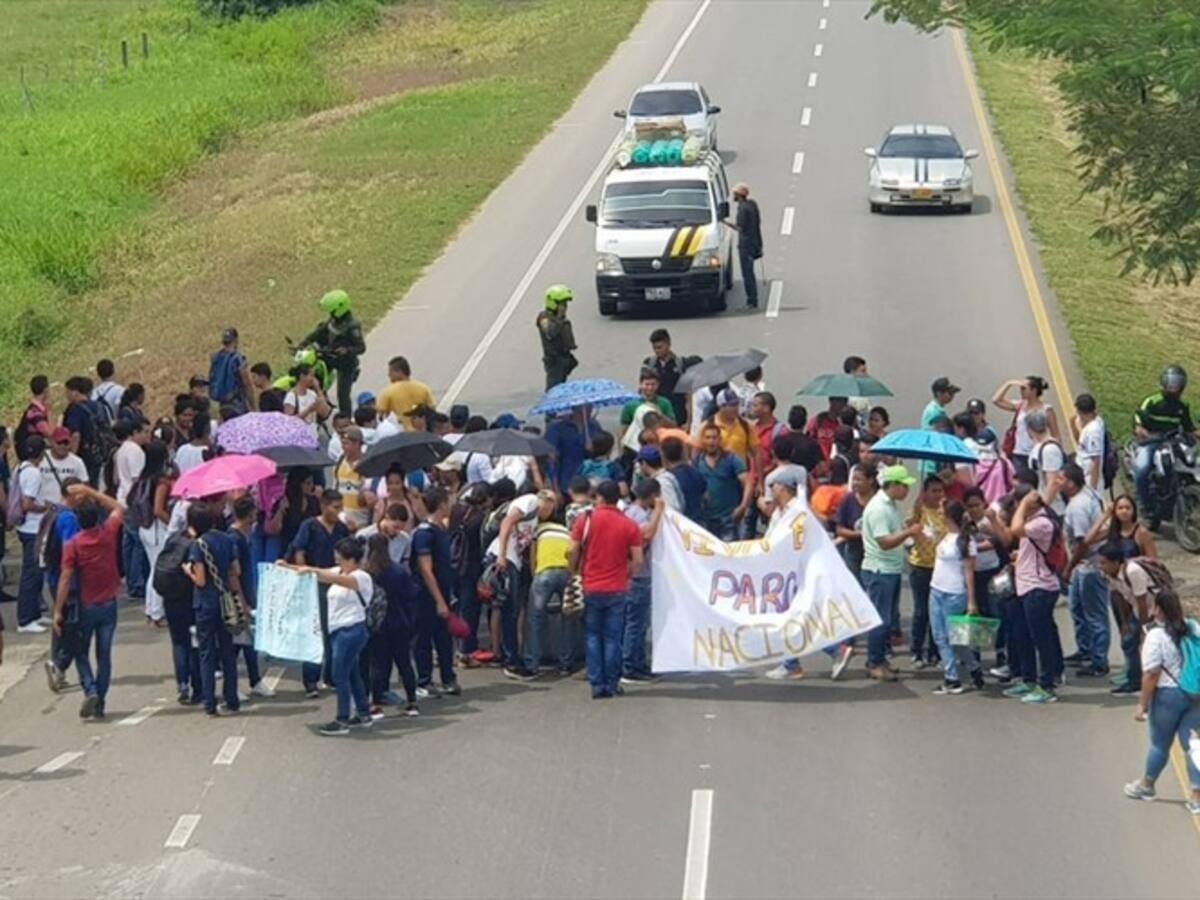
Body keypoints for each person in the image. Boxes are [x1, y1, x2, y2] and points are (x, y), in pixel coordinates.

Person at [1121, 589, 1200, 812]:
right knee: (1193, 745)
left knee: (1160, 744)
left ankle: (1147, 785)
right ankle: (1197, 796)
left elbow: (1151, 674)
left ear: (1157, 609)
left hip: (1168, 695)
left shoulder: (1156, 636)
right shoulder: (1193, 627)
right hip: (1195, 693)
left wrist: (1142, 704)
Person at [287, 538, 375, 734]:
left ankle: (342, 719)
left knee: (339, 675)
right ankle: (363, 712)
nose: (338, 564)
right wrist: (288, 568)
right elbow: (318, 572)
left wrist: (313, 572)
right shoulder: (340, 571)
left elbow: (330, 578)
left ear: (353, 560)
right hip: (339, 631)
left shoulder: (361, 577)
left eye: (341, 560)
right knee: (351, 673)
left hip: (351, 630)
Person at [53, 484, 126, 719]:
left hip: (85, 604)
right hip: (109, 603)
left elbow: (65, 578)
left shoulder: (73, 544)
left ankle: (89, 688)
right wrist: (91, 491)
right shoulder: (107, 533)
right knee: (104, 656)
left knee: (80, 651)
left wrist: (57, 610)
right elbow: (118, 507)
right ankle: (100, 702)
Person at [569, 480, 644, 699]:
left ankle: (597, 683)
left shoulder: (586, 520)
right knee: (613, 638)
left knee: (593, 635)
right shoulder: (629, 524)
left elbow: (573, 548)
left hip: (591, 584)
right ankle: (612, 683)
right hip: (617, 587)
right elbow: (638, 559)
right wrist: (627, 574)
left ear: (599, 497)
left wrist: (573, 569)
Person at [862, 465, 923, 682]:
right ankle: (875, 662)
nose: (907, 490)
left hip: (890, 568)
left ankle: (879, 659)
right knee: (881, 619)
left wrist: (905, 532)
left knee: (886, 619)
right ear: (894, 485)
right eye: (904, 485)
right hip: (880, 569)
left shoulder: (889, 506)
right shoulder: (879, 508)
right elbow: (884, 542)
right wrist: (908, 532)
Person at [289, 489, 350, 696]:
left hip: (336, 583)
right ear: (324, 506)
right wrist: (303, 574)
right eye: (335, 507)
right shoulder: (310, 526)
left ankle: (331, 676)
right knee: (316, 631)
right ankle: (311, 680)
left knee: (334, 629)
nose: (338, 511)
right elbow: (300, 551)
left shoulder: (341, 528)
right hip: (315, 582)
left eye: (340, 507)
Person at [184, 505, 244, 717]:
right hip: (225, 600)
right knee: (228, 650)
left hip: (206, 603)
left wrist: (188, 571)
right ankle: (232, 699)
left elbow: (200, 580)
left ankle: (210, 702)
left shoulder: (198, 545)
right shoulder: (226, 539)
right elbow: (236, 570)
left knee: (207, 653)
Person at [1007, 488, 1064, 704]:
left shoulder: (1042, 523)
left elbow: (1015, 529)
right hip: (1026, 585)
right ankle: (1029, 679)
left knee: (1042, 639)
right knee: (1025, 635)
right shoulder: (1034, 521)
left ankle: (1047, 685)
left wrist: (1023, 504)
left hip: (1039, 588)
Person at [928, 500, 985, 694]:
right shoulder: (946, 536)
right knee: (944, 636)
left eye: (942, 512)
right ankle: (964, 672)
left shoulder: (966, 540)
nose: (940, 515)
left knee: (951, 637)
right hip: (936, 589)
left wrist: (971, 600)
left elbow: (969, 572)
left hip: (954, 593)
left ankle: (957, 675)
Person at [363, 533, 420, 717]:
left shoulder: (367, 574)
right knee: (404, 664)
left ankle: (376, 703)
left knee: (378, 665)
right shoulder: (398, 571)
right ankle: (412, 703)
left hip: (377, 626)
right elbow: (411, 594)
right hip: (399, 622)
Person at [1060, 464, 1109, 677]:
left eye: (1061, 479)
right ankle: (1085, 649)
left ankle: (1099, 660)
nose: (1057, 483)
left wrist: (1069, 568)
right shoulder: (1086, 495)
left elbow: (1083, 543)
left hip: (1090, 565)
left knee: (1094, 614)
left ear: (1071, 482)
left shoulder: (1077, 507)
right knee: (1077, 608)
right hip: (1084, 565)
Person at [1098, 544, 1166, 698]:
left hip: (1157, 612)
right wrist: (1124, 622)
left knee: (1156, 647)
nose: (1100, 566)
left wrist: (1144, 628)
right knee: (1128, 643)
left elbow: (1142, 601)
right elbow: (1118, 597)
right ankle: (1135, 681)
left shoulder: (1133, 571)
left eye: (1103, 563)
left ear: (1116, 562)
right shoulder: (1109, 574)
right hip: (1139, 611)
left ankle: (1155, 682)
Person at [1131, 365, 1199, 519]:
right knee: (1141, 471)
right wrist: (1140, 429)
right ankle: (1145, 504)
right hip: (1152, 441)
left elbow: (1189, 428)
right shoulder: (1152, 401)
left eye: (1177, 382)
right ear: (1164, 382)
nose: (1174, 386)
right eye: (1171, 382)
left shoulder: (1183, 406)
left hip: (1173, 442)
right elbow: (1138, 417)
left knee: (1189, 466)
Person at [411, 487, 460, 696]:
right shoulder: (424, 533)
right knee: (424, 636)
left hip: (444, 589)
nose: (451, 504)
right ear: (441, 504)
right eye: (448, 501)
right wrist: (439, 599)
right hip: (425, 594)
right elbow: (425, 569)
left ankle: (448, 677)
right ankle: (424, 680)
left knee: (444, 636)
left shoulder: (441, 529)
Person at [228, 495, 273, 698]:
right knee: (238, 642)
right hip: (239, 596)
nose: (256, 517)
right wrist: (242, 602)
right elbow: (234, 573)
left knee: (247, 641)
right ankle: (233, 684)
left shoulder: (243, 536)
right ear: (248, 516)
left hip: (246, 592)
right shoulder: (235, 538)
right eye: (254, 513)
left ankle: (255, 680)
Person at [526, 490, 574, 676]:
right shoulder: (565, 531)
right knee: (567, 618)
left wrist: (533, 575)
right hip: (566, 571)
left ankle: (532, 664)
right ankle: (565, 663)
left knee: (536, 618)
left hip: (544, 572)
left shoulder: (539, 530)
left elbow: (533, 554)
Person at [622, 479, 665, 684]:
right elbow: (646, 533)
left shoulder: (638, 512)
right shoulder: (635, 514)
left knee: (639, 623)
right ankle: (630, 666)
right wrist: (658, 510)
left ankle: (638, 662)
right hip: (637, 576)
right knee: (635, 624)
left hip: (640, 575)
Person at [301, 289, 366, 417]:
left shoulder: (352, 326)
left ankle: (346, 419)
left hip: (346, 363)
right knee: (314, 378)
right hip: (329, 357)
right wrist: (303, 344)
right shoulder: (333, 320)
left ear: (340, 308)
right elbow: (318, 333)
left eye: (332, 311)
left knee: (342, 394)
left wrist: (346, 350)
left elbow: (361, 348)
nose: (330, 314)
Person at [131, 440, 175, 626]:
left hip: (145, 526)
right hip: (157, 528)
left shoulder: (143, 478)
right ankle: (156, 613)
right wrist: (172, 523)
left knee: (153, 569)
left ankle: (151, 611)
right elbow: (158, 509)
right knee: (159, 571)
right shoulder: (161, 481)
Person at [906, 475, 947, 669]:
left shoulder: (944, 512)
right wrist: (915, 508)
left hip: (940, 568)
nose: (938, 495)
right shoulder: (919, 510)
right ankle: (916, 651)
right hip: (920, 566)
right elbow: (908, 525)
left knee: (937, 612)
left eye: (940, 490)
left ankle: (935, 651)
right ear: (926, 492)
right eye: (934, 491)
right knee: (921, 611)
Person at [14, 436, 52, 632]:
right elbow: (27, 504)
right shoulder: (34, 474)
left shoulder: (20, 468)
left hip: (25, 528)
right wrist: (44, 508)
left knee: (36, 572)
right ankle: (25, 619)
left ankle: (35, 613)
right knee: (32, 573)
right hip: (32, 528)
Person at [992, 375, 1060, 473]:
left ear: (1034, 390)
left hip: (1039, 452)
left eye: (1024, 388)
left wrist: (1056, 452)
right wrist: (1009, 384)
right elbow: (996, 400)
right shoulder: (1020, 405)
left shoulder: (1047, 410)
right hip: (1019, 453)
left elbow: (1055, 434)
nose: (1021, 391)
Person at [695, 423, 751, 540]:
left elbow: (748, 482)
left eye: (714, 438)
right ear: (703, 440)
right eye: (708, 438)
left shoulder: (731, 459)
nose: (711, 441)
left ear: (720, 439)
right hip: (706, 521)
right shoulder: (697, 461)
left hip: (728, 520)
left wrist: (743, 506)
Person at [836, 461, 878, 583]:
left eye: (859, 479)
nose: (855, 483)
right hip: (853, 552)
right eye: (853, 479)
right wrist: (860, 534)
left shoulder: (880, 500)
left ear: (870, 480)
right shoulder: (848, 499)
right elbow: (840, 529)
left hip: (874, 555)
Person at [376, 355, 435, 432]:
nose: (388, 375)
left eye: (391, 372)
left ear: (399, 372)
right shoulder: (424, 388)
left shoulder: (387, 392)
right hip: (422, 433)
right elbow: (432, 410)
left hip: (400, 436)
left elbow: (379, 416)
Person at [536, 284, 579, 389]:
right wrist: (559, 319)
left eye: (565, 305)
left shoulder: (561, 319)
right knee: (553, 390)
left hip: (563, 359)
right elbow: (550, 333)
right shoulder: (544, 318)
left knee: (561, 388)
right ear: (553, 304)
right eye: (562, 304)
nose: (564, 307)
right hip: (554, 361)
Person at [644, 329, 688, 424]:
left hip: (677, 411)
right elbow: (643, 388)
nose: (657, 351)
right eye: (654, 348)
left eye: (660, 347)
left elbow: (688, 394)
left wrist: (688, 421)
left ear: (668, 344)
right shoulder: (649, 364)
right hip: (657, 411)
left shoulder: (681, 364)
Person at [730, 182, 763, 307]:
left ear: (739, 195)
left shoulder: (743, 209)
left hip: (746, 246)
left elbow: (740, 228)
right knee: (750, 273)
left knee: (747, 274)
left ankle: (751, 300)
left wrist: (725, 223)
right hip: (754, 243)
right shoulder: (752, 205)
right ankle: (753, 299)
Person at [1026, 410, 1066, 513]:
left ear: (1029, 429)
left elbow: (1053, 482)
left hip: (1054, 509)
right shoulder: (1040, 446)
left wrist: (1043, 508)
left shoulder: (1049, 450)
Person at [208, 327, 253, 414]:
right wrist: (253, 406)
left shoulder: (216, 357)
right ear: (236, 340)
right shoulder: (238, 358)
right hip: (237, 404)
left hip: (222, 404)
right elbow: (247, 383)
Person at [332, 426, 369, 530]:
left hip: (361, 523)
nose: (343, 447)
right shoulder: (339, 464)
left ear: (357, 444)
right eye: (342, 443)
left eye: (346, 443)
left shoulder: (367, 466)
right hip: (341, 522)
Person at [41, 427, 89, 506]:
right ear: (52, 442)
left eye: (66, 443)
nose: (62, 446)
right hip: (41, 512)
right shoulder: (41, 458)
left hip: (65, 511)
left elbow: (85, 487)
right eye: (59, 442)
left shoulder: (77, 462)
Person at [283, 364, 331, 440]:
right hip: (298, 438)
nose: (313, 379)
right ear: (302, 376)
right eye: (311, 375)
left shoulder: (312, 394)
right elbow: (289, 421)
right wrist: (309, 410)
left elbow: (325, 412)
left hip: (313, 437)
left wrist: (318, 389)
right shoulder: (291, 396)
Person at [1071, 393, 1107, 491]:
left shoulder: (1093, 431)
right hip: (1084, 474)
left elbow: (1096, 460)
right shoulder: (1097, 421)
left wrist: (1093, 488)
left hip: (1089, 479)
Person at [91, 359, 123, 425]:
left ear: (98, 373)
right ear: (113, 371)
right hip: (115, 428)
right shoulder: (119, 390)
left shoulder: (92, 393)